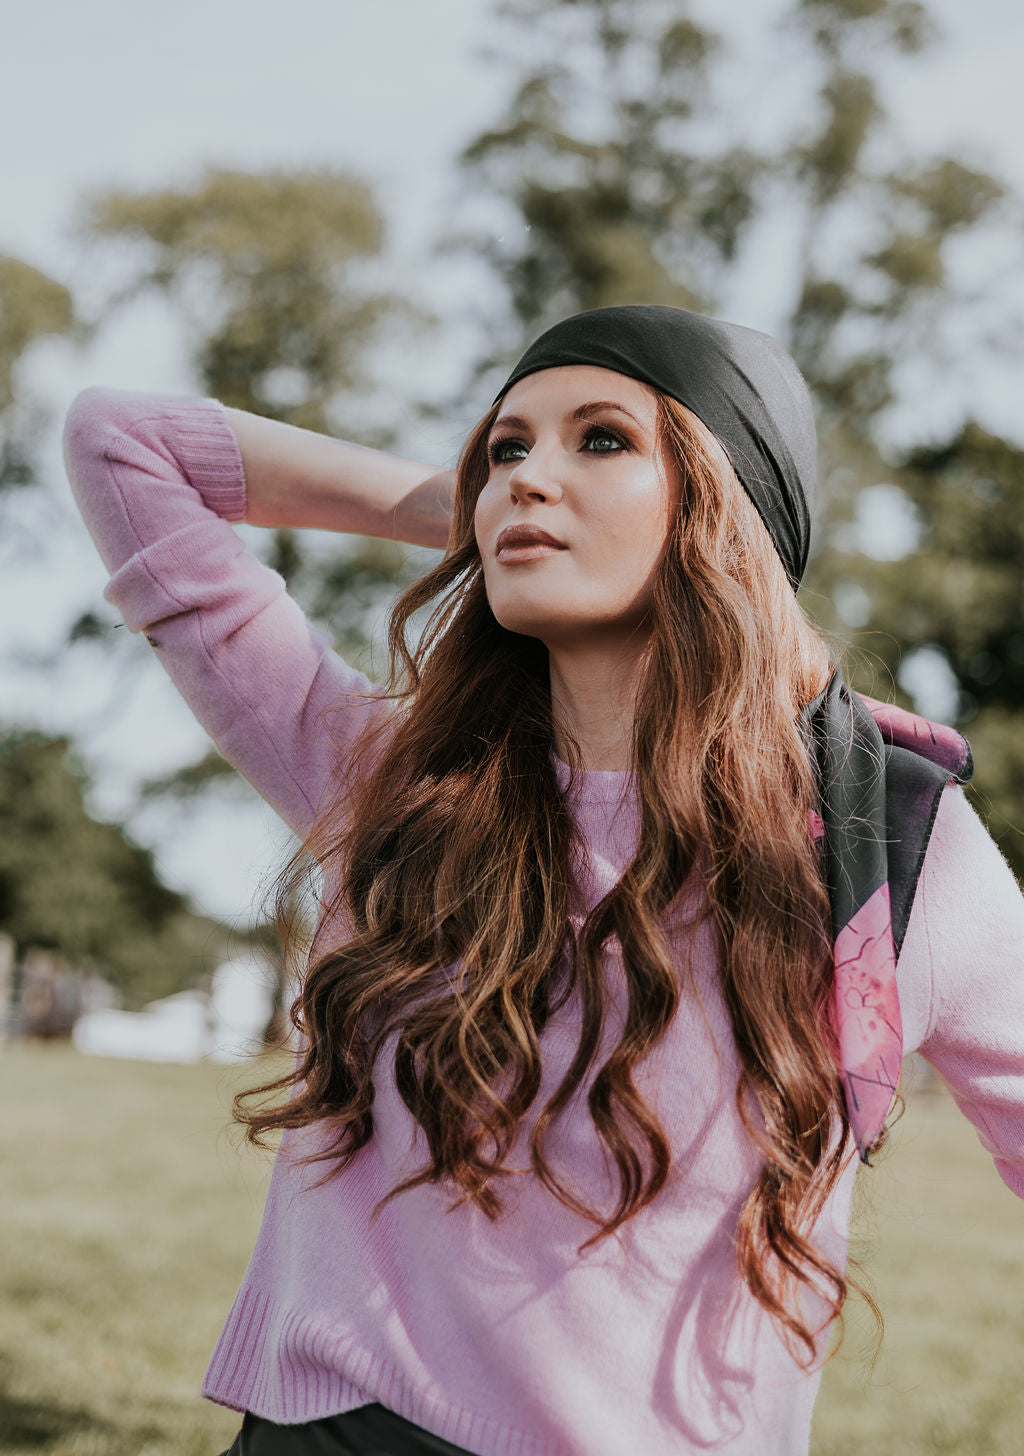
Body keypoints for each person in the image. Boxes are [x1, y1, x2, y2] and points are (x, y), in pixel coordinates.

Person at [62, 304, 1024, 1456]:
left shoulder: (891, 848)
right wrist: (469, 509)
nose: (528, 475)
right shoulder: (392, 783)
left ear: (727, 508)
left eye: (602, 438)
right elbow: (123, 441)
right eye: (508, 446)